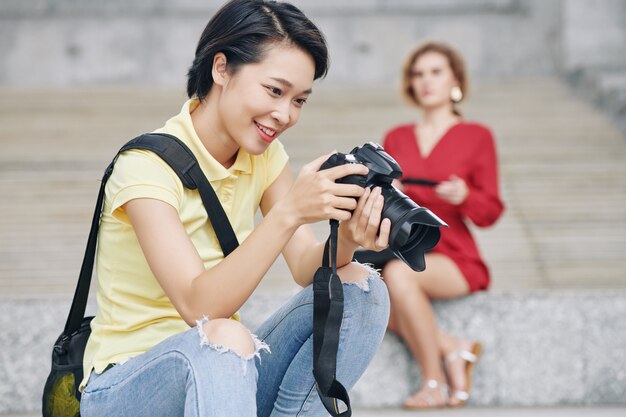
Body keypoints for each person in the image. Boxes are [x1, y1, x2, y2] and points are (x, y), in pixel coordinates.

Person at [78, 1, 390, 416]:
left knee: (359, 287)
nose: (284, 114)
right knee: (222, 336)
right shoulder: (145, 168)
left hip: (226, 376)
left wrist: (348, 237)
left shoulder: (265, 157)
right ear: (221, 68)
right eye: (274, 91)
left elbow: (304, 267)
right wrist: (289, 212)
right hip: (127, 387)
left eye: (300, 100)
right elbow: (197, 307)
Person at [380, 41, 505, 409]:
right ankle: (453, 348)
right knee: (363, 287)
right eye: (418, 74)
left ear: (455, 80)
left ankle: (433, 383)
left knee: (399, 276)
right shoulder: (397, 136)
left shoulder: (477, 135)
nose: (426, 81)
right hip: (403, 247)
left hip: (454, 255)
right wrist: (392, 193)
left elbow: (491, 211)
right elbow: (382, 205)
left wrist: (464, 196)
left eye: (435, 72)